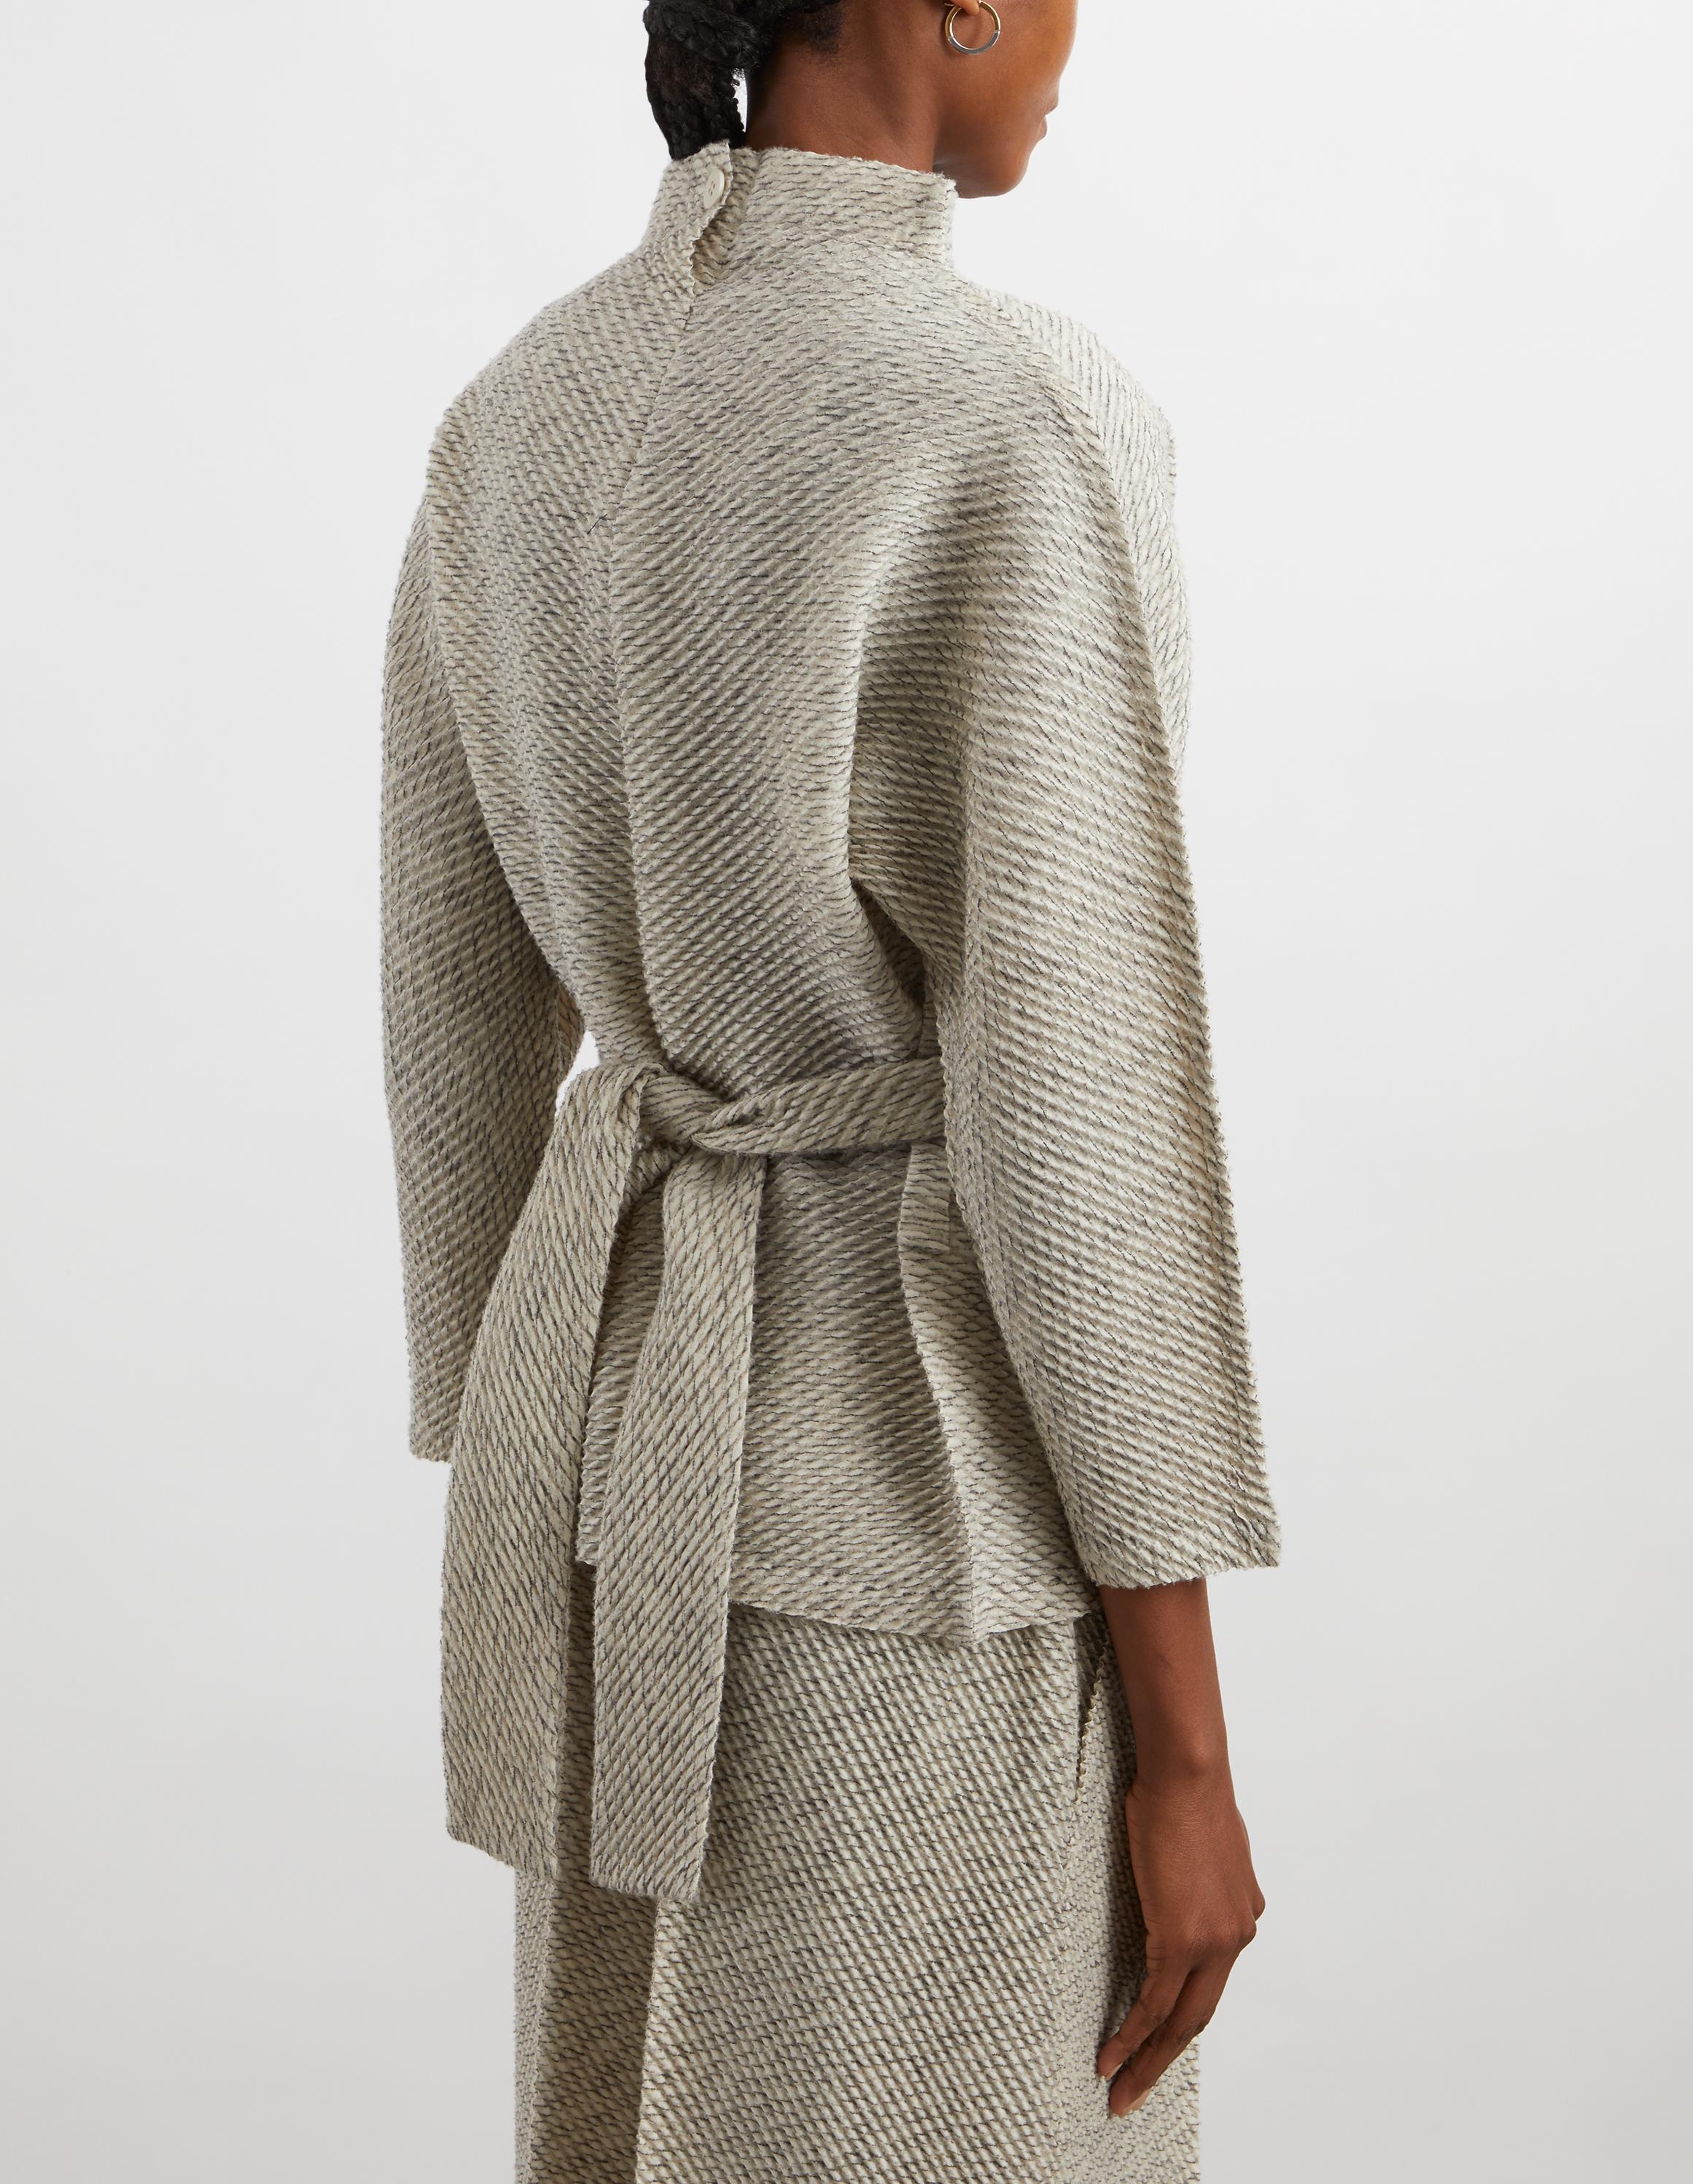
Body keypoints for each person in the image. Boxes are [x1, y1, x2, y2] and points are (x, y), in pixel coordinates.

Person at [379, 1, 1279, 2175]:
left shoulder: (520, 412)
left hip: (603, 1475)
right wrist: (1184, 1752)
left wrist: (506, 1405)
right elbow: (1077, 1086)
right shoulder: (1005, 411)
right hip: (907, 1503)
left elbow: (444, 987)